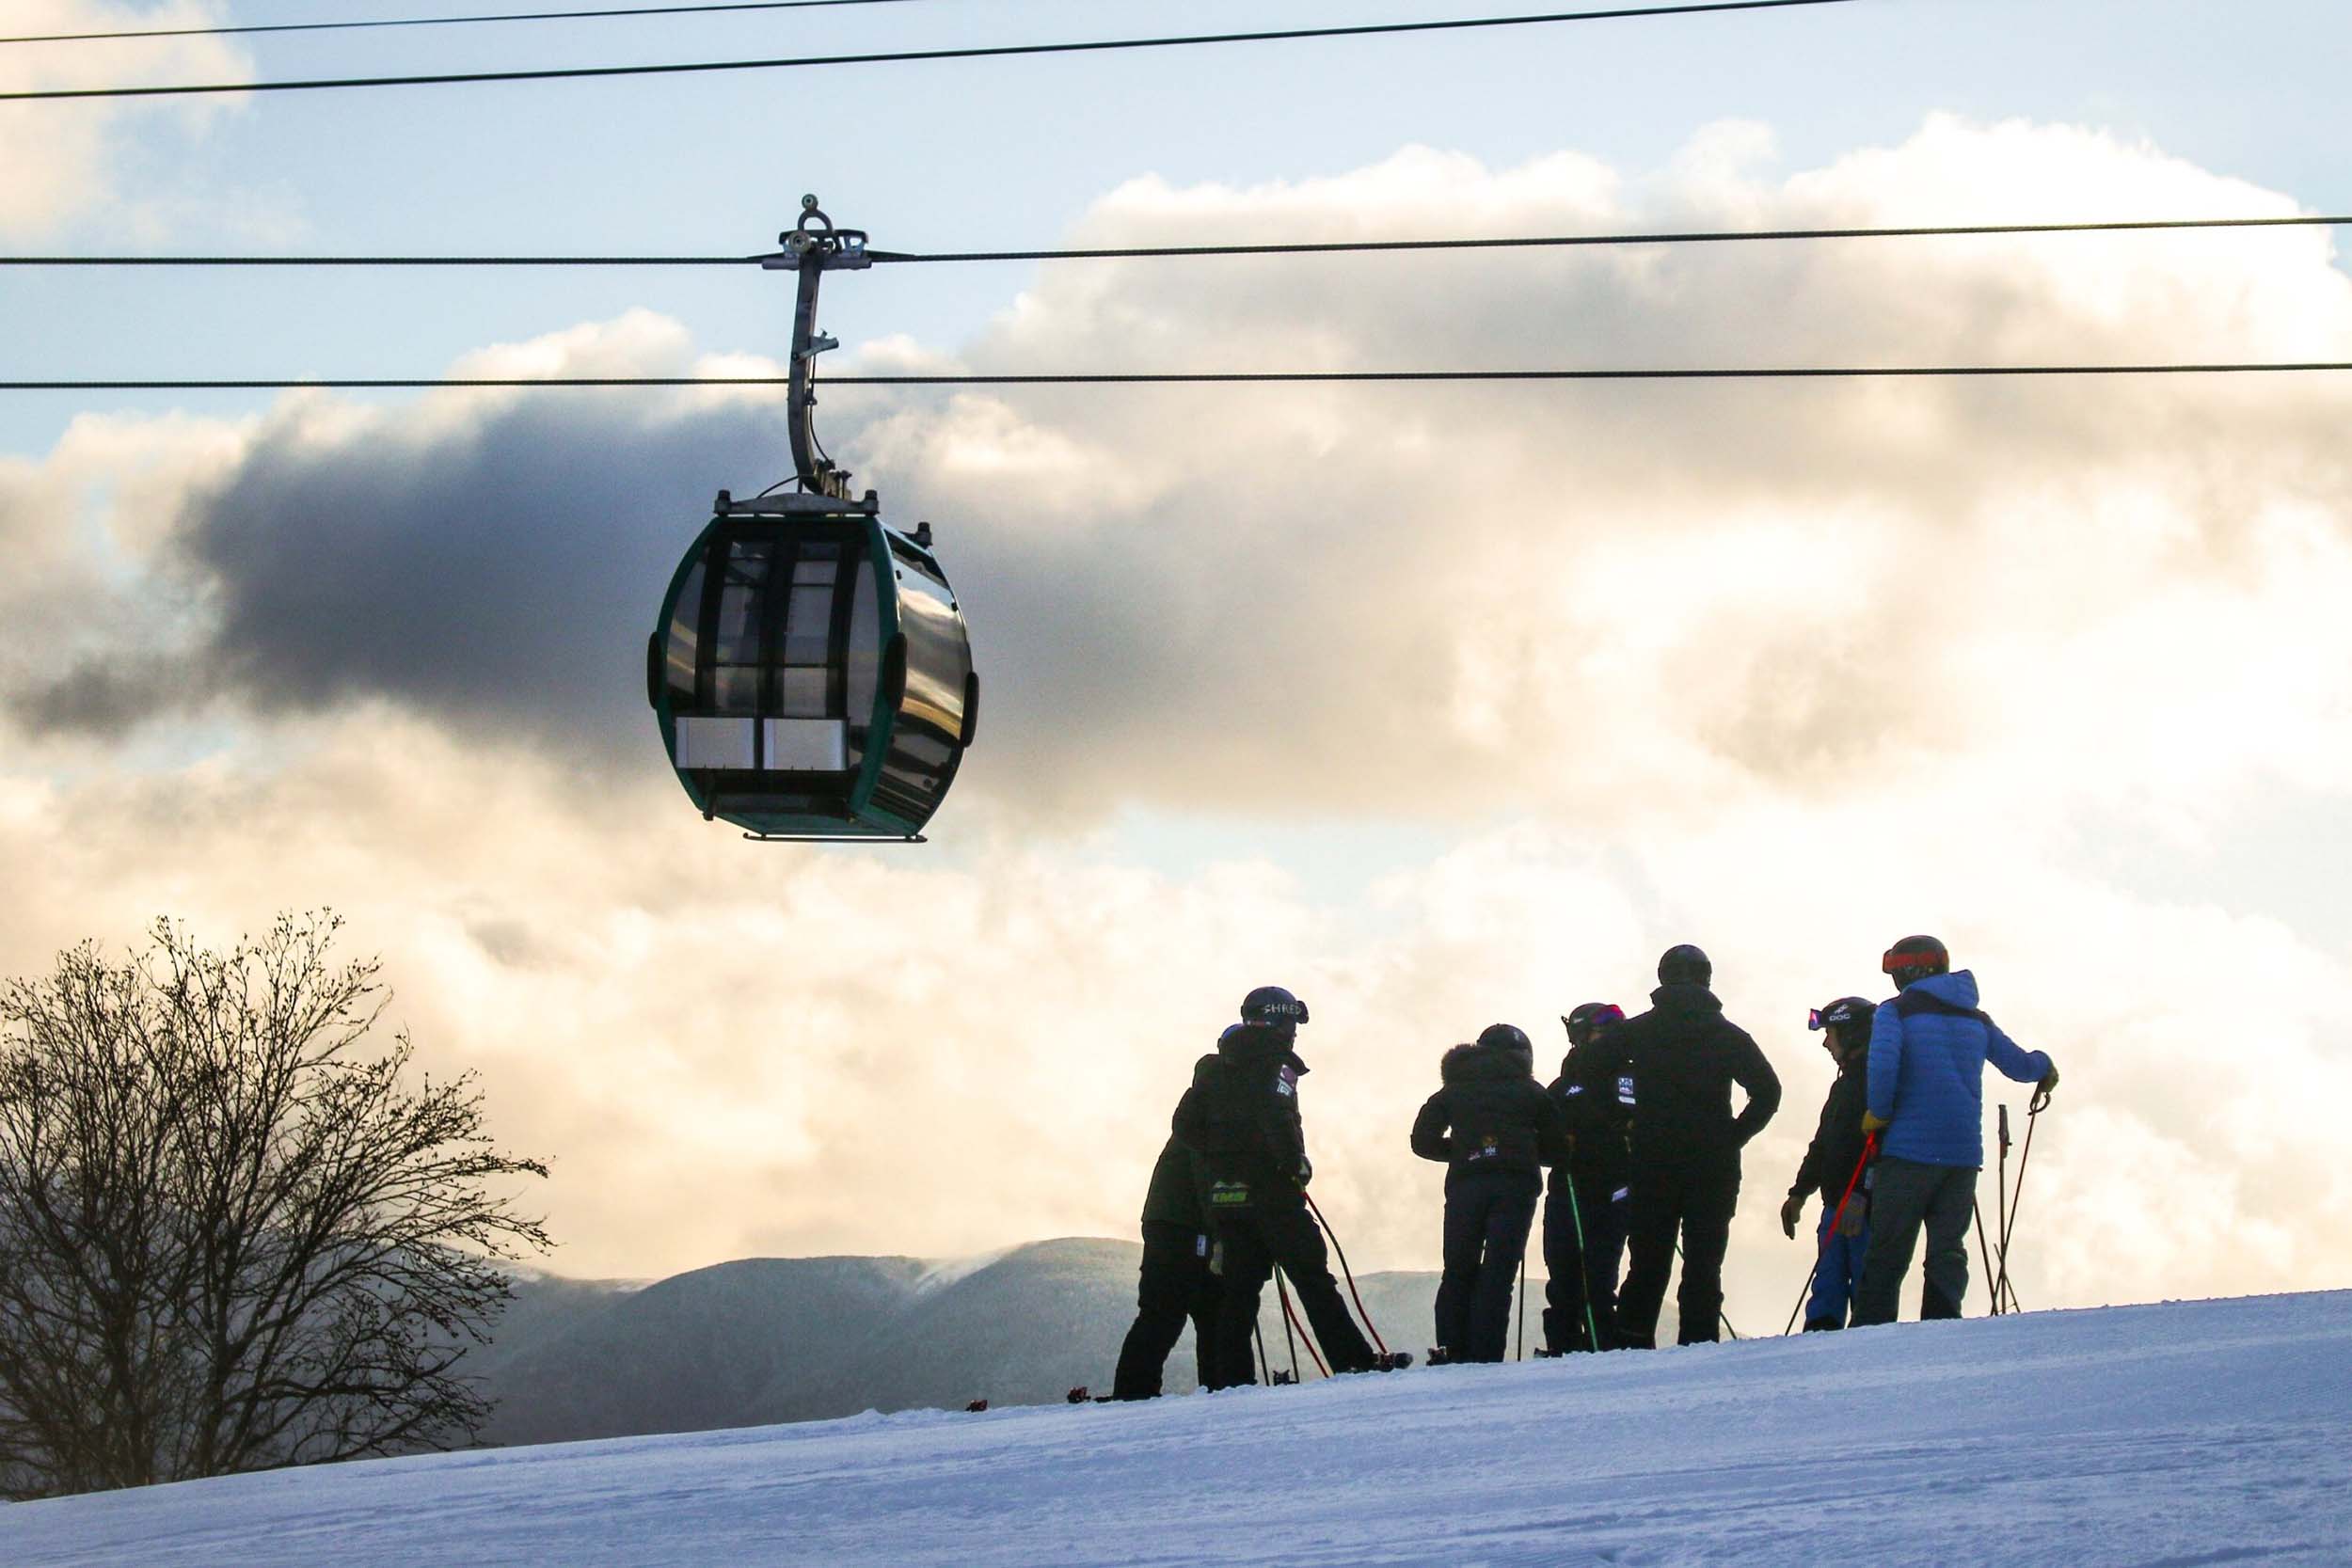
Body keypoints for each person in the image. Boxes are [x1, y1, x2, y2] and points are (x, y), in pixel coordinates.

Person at [1172, 986, 1383, 1385]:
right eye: (1293, 1025)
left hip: (1225, 1196)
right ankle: (1353, 1361)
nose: (1295, 1034)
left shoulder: (1212, 1069)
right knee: (1312, 1277)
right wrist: (1293, 1164)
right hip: (1273, 1191)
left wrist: (1222, 1157)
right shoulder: (1277, 1065)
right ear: (1282, 1022)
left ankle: (1230, 1379)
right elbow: (1276, 1115)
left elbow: (1184, 1127)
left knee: (1239, 1288)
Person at [1850, 936, 2058, 1326]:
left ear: (1907, 971)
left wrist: (1877, 1113)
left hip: (1907, 1154)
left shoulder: (1895, 1012)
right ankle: (1942, 1329)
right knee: (1947, 1251)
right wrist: (2044, 1066)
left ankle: (1870, 1333)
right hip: (1962, 1156)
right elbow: (2019, 1065)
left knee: (1889, 1250)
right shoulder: (1976, 1020)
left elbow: (1882, 1068)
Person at [1611, 944, 1782, 1349]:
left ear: (1662, 977)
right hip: (1713, 1166)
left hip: (1651, 1161)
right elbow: (1768, 1091)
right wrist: (1733, 1137)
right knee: (1704, 1262)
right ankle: (1700, 1346)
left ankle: (1632, 1346)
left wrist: (1624, 1120)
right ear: (1707, 978)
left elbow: (1590, 1070)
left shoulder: (1634, 1032)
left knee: (1648, 1262)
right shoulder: (1727, 1035)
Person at [1409, 1023, 1565, 1364]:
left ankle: (1451, 1351)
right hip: (1516, 1186)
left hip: (1466, 1185)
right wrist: (1523, 1150)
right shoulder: (1532, 1092)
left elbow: (1421, 1141)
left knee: (1457, 1269)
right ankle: (1486, 1354)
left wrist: (1462, 1150)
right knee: (1499, 1271)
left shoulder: (1453, 1090)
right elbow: (1558, 1148)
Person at [1540, 1002, 1631, 1354]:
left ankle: (1603, 1346)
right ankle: (1562, 1347)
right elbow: (1541, 1144)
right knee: (1562, 1279)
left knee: (1599, 1278)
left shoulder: (1628, 1076)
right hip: (1568, 1190)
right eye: (1601, 1031)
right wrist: (1557, 1144)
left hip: (1613, 1190)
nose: (1608, 1038)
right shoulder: (1561, 1087)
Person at [1780, 996, 1876, 1331]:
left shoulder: (1876, 1085)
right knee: (1829, 1287)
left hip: (1862, 1210)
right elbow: (1823, 1145)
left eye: (1830, 1033)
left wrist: (1863, 1193)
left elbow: (1880, 1148)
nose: (1825, 1042)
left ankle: (1861, 1359)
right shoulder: (1845, 1086)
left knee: (1867, 1294)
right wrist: (1799, 1193)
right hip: (1837, 1205)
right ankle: (1821, 1349)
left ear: (1850, 1035)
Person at [1108, 1130, 1220, 1400]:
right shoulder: (1215, 1113)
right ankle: (1219, 1388)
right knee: (1177, 1311)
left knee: (1174, 1312)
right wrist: (1221, 1233)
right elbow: (1206, 1179)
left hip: (1172, 1222)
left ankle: (1135, 1392)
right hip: (1184, 1225)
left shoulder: (1205, 1107)